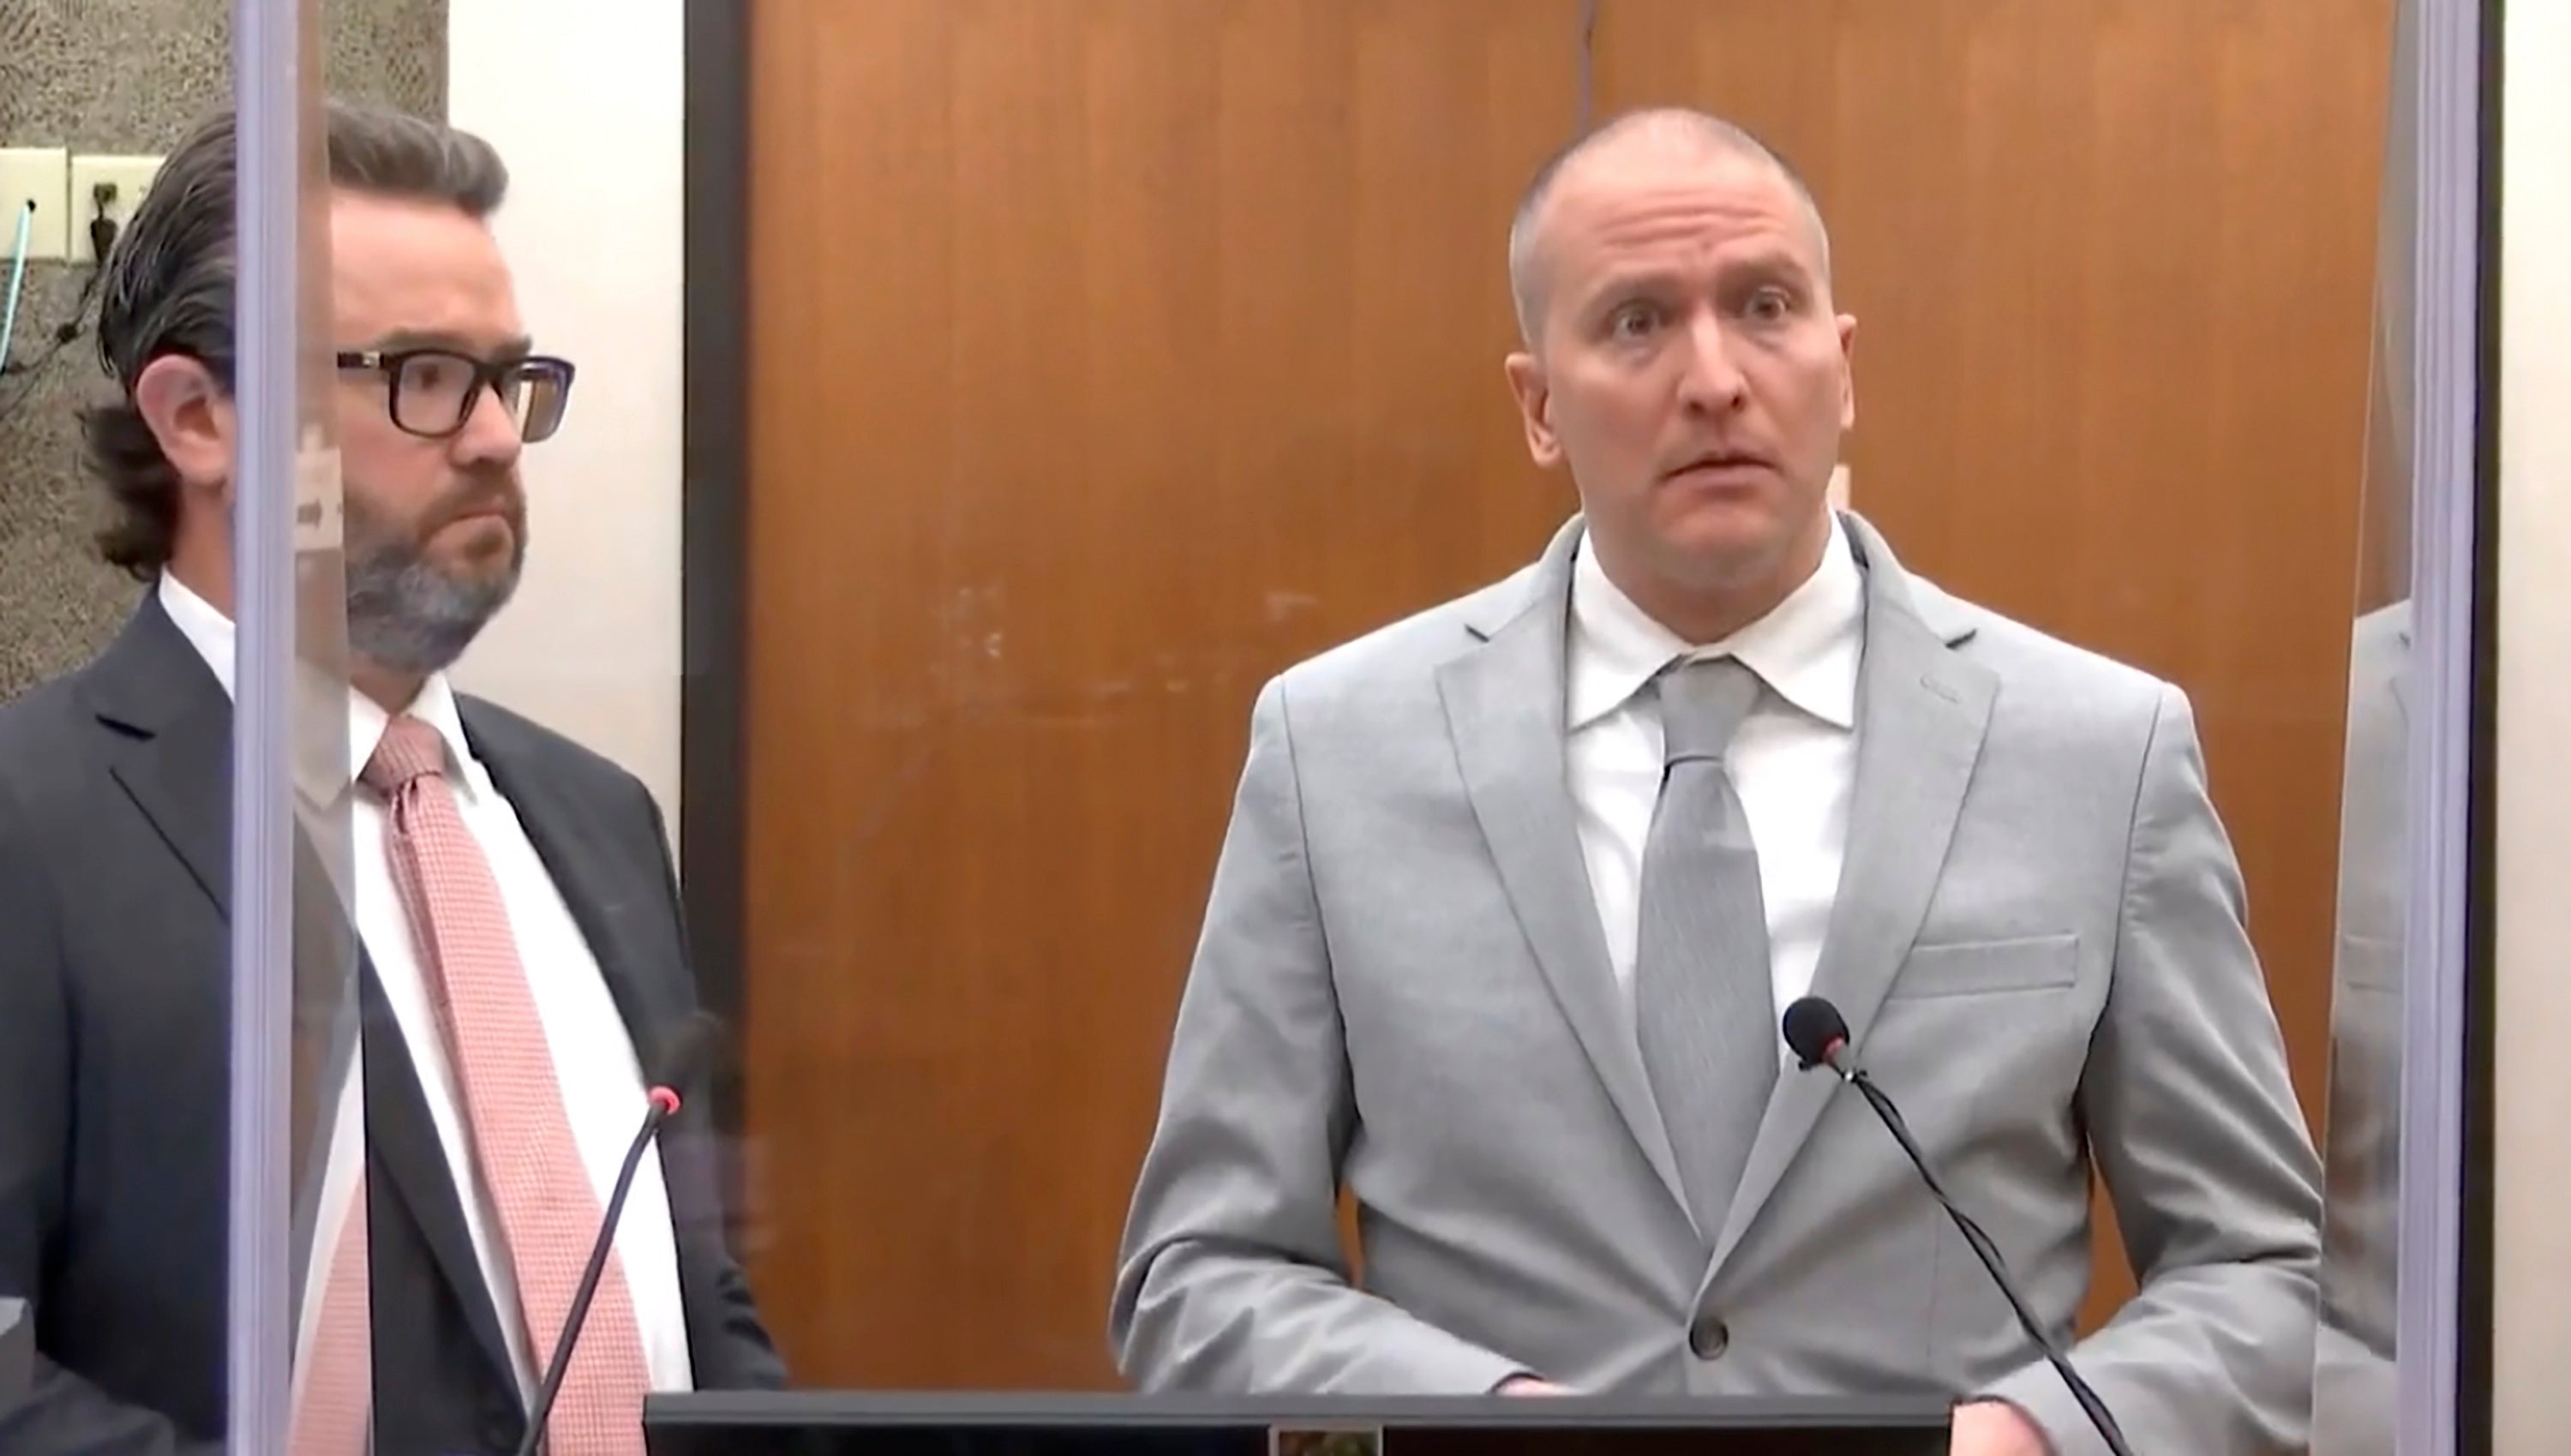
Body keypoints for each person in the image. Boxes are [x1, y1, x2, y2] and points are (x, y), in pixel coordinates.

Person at [1108, 108, 2322, 1456]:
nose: (1715, 378)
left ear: (1842, 366)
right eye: (1635, 322)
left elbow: (2261, 1273)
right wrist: (1485, 1425)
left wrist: (2030, 1435)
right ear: (1537, 406)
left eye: (1765, 307)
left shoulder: (2100, 749)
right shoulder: (1337, 750)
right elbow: (1200, 1275)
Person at [0, 100, 784, 1456]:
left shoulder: (595, 819)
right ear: (200, 419)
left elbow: (688, 1297)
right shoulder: (32, 822)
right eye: (425, 375)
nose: (491, 437)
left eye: (510, 377)